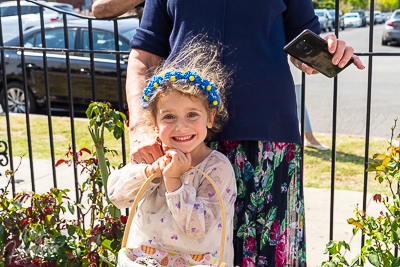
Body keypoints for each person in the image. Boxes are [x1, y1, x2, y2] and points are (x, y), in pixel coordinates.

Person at [117, 1, 365, 266]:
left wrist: (326, 50)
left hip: (269, 140)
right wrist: (142, 125)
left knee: (268, 255)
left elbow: (303, 42)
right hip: (188, 139)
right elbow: (144, 56)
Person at [108, 40, 237, 266]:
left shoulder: (216, 167)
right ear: (154, 124)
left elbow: (197, 227)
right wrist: (149, 171)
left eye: (192, 115)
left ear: (210, 117)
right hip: (147, 260)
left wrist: (174, 180)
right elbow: (117, 196)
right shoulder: (154, 156)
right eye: (169, 117)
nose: (181, 126)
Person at [290, 62, 329, 151]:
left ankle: (309, 138)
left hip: (294, 69)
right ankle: (308, 138)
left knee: (300, 102)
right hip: (278, 66)